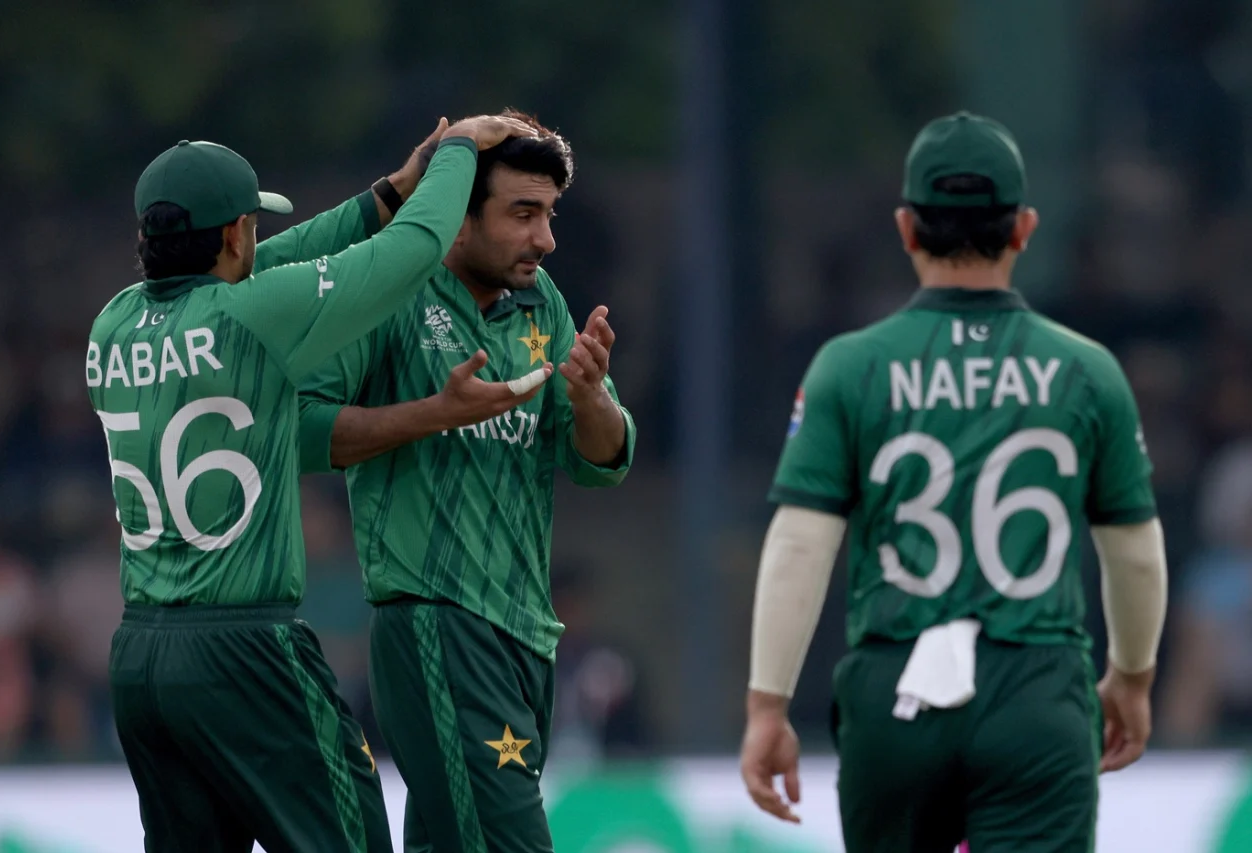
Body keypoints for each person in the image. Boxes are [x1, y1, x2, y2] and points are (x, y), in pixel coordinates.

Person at [87, 114, 535, 853]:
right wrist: (458, 151)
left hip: (140, 658)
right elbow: (414, 251)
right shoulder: (253, 315)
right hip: (247, 648)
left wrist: (393, 186)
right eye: (251, 227)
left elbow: (283, 259)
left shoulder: (114, 322)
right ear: (235, 235)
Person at [738, 111, 1168, 852]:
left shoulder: (848, 365)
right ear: (1024, 227)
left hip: (894, 691)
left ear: (907, 228)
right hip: (1038, 690)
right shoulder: (1088, 369)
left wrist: (766, 705)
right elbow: (1133, 549)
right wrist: (1131, 676)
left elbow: (800, 545)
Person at [298, 109, 635, 853]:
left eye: (549, 214)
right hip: (437, 624)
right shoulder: (388, 289)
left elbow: (600, 460)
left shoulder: (539, 299)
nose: (545, 239)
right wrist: (432, 413)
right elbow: (301, 431)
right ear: (456, 217)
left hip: (525, 634)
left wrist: (591, 401)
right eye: (522, 214)